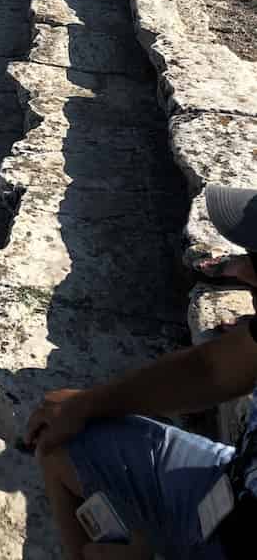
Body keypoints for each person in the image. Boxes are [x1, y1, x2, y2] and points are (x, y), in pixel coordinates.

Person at [29, 185, 257, 558]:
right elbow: (211, 369)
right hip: (234, 484)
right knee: (60, 439)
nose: (243, 271)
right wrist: (87, 404)